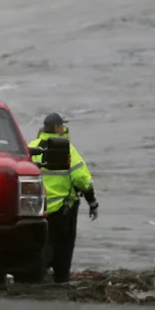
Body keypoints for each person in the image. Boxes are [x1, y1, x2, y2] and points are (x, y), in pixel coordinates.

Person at [28, 112, 98, 284]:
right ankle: (61, 279)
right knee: (63, 248)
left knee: (38, 245)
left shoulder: (31, 147)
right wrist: (92, 202)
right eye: (63, 126)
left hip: (36, 208)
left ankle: (35, 277)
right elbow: (81, 179)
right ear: (58, 128)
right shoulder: (67, 149)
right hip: (63, 209)